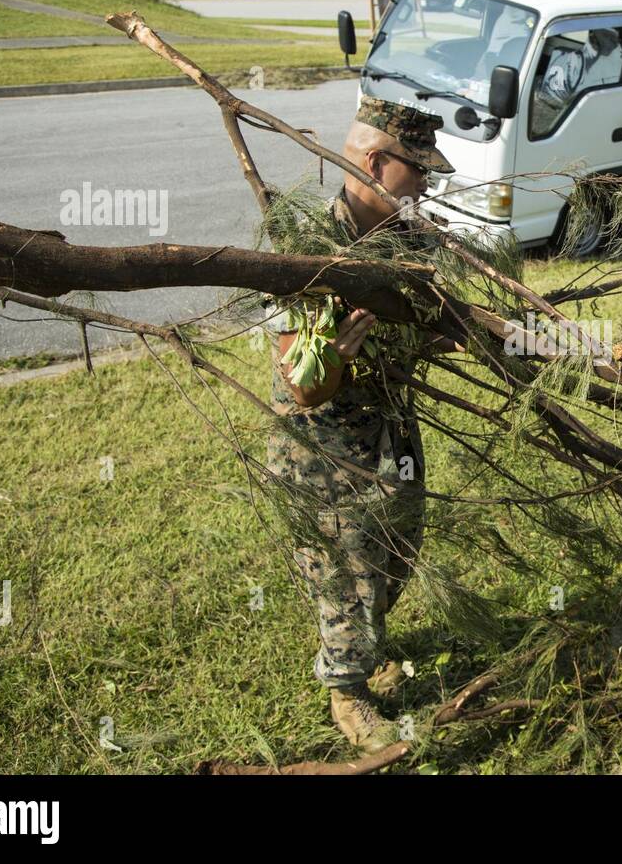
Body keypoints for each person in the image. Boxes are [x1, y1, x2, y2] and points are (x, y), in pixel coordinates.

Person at [262, 96, 455, 753]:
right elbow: (302, 386)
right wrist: (336, 359)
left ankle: (368, 643)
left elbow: (437, 324)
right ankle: (346, 691)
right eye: (417, 169)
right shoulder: (307, 250)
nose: (425, 183)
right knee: (348, 571)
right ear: (374, 163)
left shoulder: (411, 238)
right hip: (327, 446)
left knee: (398, 552)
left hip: (393, 429)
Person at [532, 28, 622, 135]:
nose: (616, 44)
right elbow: (549, 106)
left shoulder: (604, 66)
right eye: (609, 38)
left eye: (617, 40)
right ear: (594, 39)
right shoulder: (570, 64)